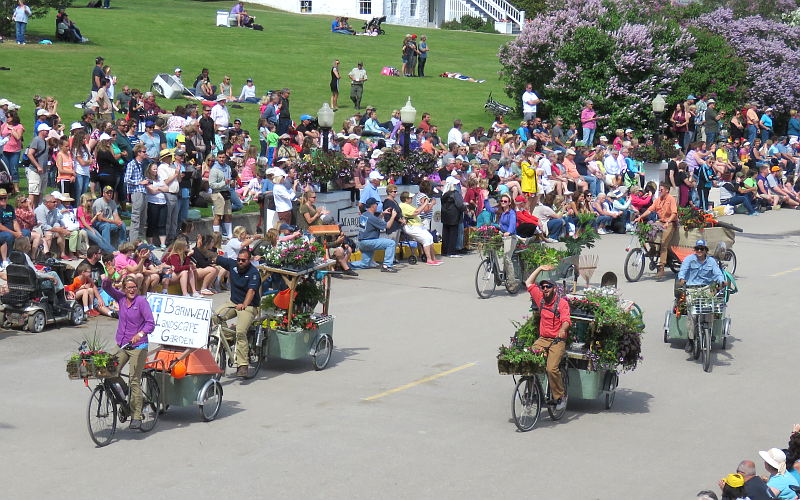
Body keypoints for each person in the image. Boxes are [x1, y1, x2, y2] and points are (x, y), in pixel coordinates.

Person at [102, 275, 155, 430]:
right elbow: (106, 287)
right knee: (109, 371)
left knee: (134, 379)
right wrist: (109, 276)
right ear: (124, 288)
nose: (132, 290)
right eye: (129, 287)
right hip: (122, 343)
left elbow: (150, 323)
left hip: (138, 345)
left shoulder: (141, 302)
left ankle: (136, 416)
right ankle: (126, 392)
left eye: (134, 287)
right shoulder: (121, 298)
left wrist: (140, 334)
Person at [524, 265, 571, 411]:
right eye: (543, 287)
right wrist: (539, 268)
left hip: (558, 340)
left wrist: (562, 330)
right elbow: (528, 283)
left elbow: (566, 321)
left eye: (548, 286)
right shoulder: (541, 299)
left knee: (551, 368)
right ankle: (531, 392)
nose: (544, 289)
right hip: (543, 339)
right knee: (528, 362)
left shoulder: (562, 303)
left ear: (554, 288)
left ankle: (559, 397)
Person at [214, 248, 261, 378]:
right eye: (239, 259)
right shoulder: (232, 264)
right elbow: (214, 258)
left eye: (243, 260)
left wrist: (244, 304)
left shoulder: (254, 273)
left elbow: (251, 292)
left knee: (240, 331)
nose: (240, 262)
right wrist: (199, 251)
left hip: (249, 306)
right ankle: (228, 338)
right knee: (216, 317)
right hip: (233, 302)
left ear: (249, 260)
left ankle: (242, 365)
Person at [634, 183, 678, 280]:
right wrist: (640, 217)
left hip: (670, 223)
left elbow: (674, 213)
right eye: (659, 190)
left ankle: (661, 266)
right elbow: (650, 210)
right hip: (660, 222)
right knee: (648, 232)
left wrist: (668, 222)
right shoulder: (658, 200)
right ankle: (653, 249)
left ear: (667, 190)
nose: (659, 191)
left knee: (663, 243)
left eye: (661, 189)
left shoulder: (671, 199)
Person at [352, 197, 398, 273]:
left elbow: (374, 222)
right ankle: (387, 265)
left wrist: (383, 214)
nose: (377, 206)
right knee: (391, 243)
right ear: (373, 206)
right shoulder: (371, 217)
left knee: (365, 263)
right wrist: (393, 216)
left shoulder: (364, 215)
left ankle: (346, 265)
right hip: (369, 242)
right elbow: (388, 226)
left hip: (362, 242)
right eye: (376, 204)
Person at [26, 123, 52, 207]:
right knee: (33, 192)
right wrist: (37, 166)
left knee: (40, 192)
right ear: (41, 131)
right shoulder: (36, 140)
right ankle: (30, 211)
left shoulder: (44, 141)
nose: (48, 131)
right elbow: (30, 154)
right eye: (46, 130)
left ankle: (37, 209)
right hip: (35, 170)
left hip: (43, 171)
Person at [441, 176, 465, 257]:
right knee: (453, 234)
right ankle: (451, 251)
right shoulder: (455, 193)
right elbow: (460, 205)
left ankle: (445, 250)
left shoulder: (444, 194)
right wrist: (465, 208)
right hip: (454, 216)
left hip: (445, 216)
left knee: (446, 233)